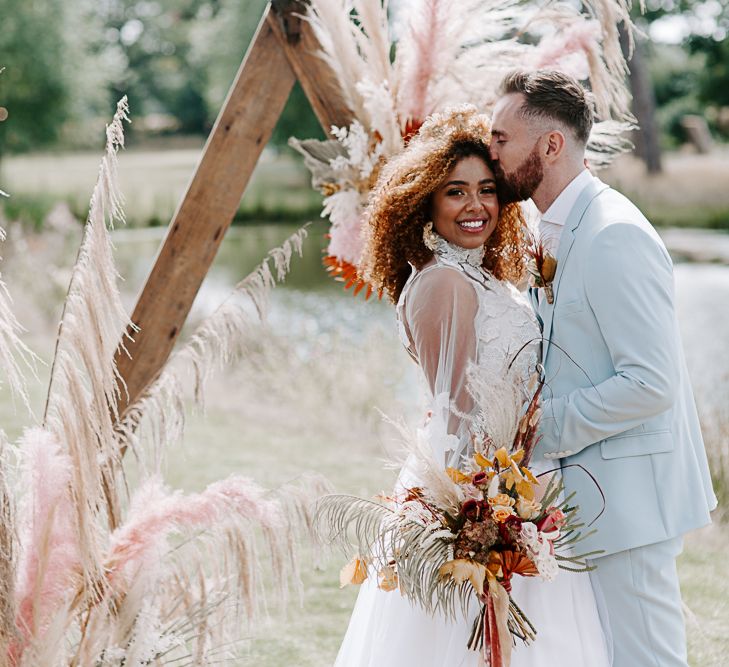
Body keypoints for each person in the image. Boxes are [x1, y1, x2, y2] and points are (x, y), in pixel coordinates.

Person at [333, 106, 611, 667]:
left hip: (517, 483)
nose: (475, 205)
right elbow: (454, 415)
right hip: (479, 494)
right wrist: (483, 523)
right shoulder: (442, 284)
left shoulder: (478, 275)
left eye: (487, 189)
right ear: (425, 202)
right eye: (455, 192)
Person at [489, 69, 718, 667]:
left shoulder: (615, 234)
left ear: (551, 146)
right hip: (592, 498)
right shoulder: (556, 226)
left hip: (631, 499)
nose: (490, 154)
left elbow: (651, 383)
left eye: (500, 140)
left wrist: (539, 427)